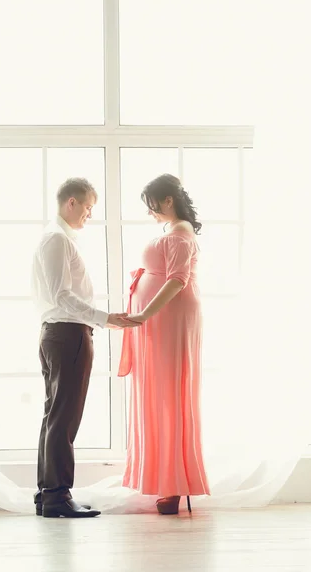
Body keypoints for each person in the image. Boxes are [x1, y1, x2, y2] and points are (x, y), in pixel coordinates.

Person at [32, 177, 140, 518]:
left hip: (59, 333)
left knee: (55, 416)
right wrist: (105, 317)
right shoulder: (57, 240)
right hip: (67, 335)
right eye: (88, 207)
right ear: (71, 203)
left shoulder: (58, 239)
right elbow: (61, 295)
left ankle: (49, 494)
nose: (90, 215)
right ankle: (57, 496)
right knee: (63, 419)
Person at [120, 173, 210, 514]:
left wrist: (144, 315)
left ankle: (174, 483)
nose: (150, 212)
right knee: (160, 393)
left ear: (167, 201)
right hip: (163, 320)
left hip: (170, 320)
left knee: (169, 395)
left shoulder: (181, 234)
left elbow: (176, 282)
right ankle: (165, 478)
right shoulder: (174, 232)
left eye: (152, 206)